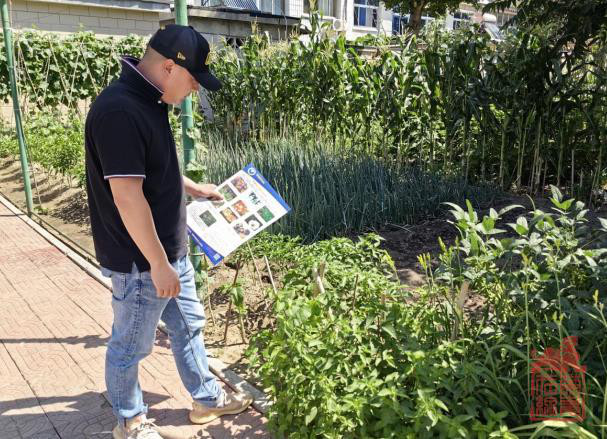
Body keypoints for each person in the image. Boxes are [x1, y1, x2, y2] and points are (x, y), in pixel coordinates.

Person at [84, 25, 253, 439]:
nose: (196, 89)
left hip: (168, 252)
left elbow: (152, 168)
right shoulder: (120, 112)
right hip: (142, 261)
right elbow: (128, 197)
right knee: (130, 346)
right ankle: (130, 421)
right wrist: (158, 264)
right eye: (194, 79)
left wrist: (193, 188)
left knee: (189, 326)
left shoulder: (149, 100)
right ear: (168, 67)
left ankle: (206, 398)